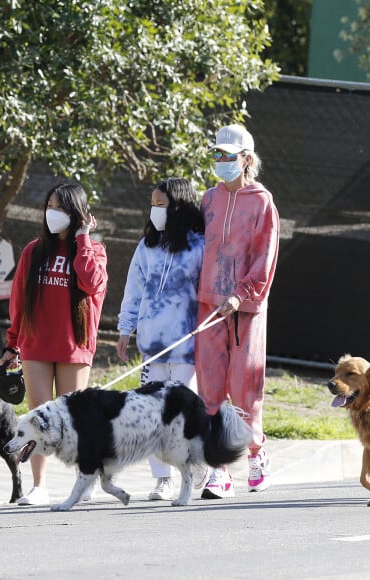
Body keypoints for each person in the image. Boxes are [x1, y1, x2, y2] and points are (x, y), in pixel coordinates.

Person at [0, 182, 108, 506]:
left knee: (75, 418)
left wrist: (83, 237)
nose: (52, 213)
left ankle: (85, 482)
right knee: (37, 419)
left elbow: (91, 283)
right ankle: (39, 486)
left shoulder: (93, 250)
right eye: (50, 206)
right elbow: (18, 300)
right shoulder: (33, 250)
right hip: (35, 346)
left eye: (60, 208)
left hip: (74, 346)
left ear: (76, 213)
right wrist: (12, 345)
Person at [195, 124, 279, 499]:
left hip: (245, 311)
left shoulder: (262, 201)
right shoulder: (208, 199)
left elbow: (266, 255)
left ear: (246, 159)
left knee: (244, 387)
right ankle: (219, 470)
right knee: (210, 389)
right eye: (217, 154)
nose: (220, 161)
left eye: (228, 155)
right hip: (208, 307)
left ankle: (256, 452)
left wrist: (242, 294)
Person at [116, 177, 206, 500]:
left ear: (179, 206)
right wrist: (125, 328)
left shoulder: (199, 246)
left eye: (161, 204)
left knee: (183, 410)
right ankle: (162, 479)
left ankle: (194, 464)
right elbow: (133, 289)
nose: (154, 210)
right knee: (152, 412)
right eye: (152, 204)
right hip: (152, 346)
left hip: (185, 347)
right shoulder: (147, 246)